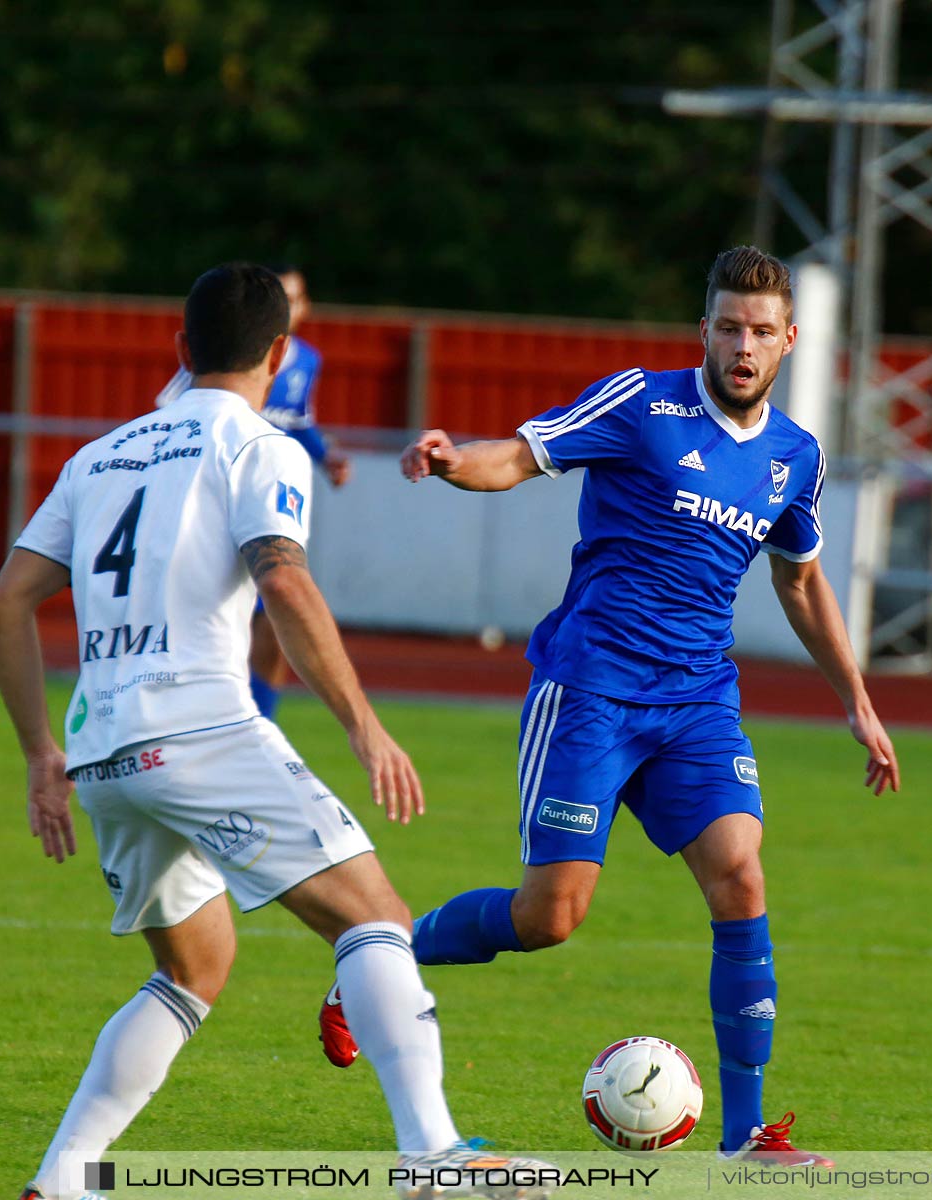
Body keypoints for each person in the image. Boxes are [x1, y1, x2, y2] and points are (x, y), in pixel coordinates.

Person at [319, 246, 902, 1166]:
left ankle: (746, 1137)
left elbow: (801, 582)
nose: (743, 344)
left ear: (789, 341)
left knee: (742, 878)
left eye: (761, 331)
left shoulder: (797, 457)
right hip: (590, 690)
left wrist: (858, 703)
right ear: (702, 330)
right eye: (728, 325)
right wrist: (449, 460)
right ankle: (374, 965)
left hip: (698, 703)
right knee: (549, 918)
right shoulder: (643, 404)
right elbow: (518, 456)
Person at [0, 264, 545, 1200]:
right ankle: (435, 1159)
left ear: (182, 347)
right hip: (200, 727)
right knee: (375, 918)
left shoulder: (101, 456)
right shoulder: (261, 445)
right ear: (279, 353)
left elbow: (7, 604)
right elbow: (282, 579)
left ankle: (64, 1179)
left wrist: (42, 754)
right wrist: (365, 726)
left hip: (106, 750)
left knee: (195, 966)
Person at [157, 264, 350, 719]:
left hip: (269, 500)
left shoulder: (306, 362)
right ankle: (196, 716)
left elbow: (299, 425)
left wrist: (327, 458)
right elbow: (169, 413)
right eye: (282, 296)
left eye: (297, 298)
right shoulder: (222, 355)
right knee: (219, 612)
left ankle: (261, 720)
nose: (289, 307)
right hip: (216, 501)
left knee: (273, 621)